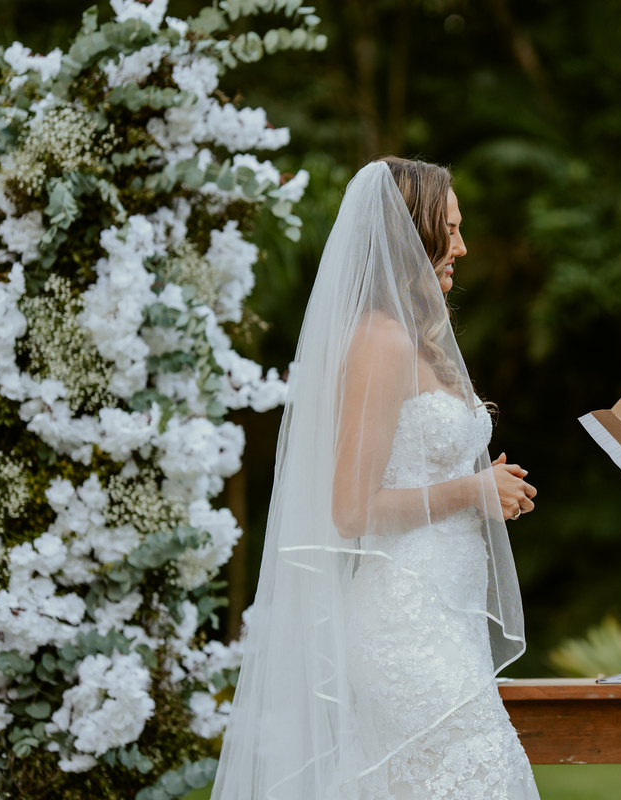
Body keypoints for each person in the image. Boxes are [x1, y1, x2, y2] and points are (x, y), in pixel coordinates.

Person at [212, 158, 540, 800]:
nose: (464, 247)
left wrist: (477, 491)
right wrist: (470, 491)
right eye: (450, 230)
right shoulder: (381, 342)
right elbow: (351, 510)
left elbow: (411, 470)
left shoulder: (419, 340)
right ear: (411, 238)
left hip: (449, 619)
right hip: (404, 625)